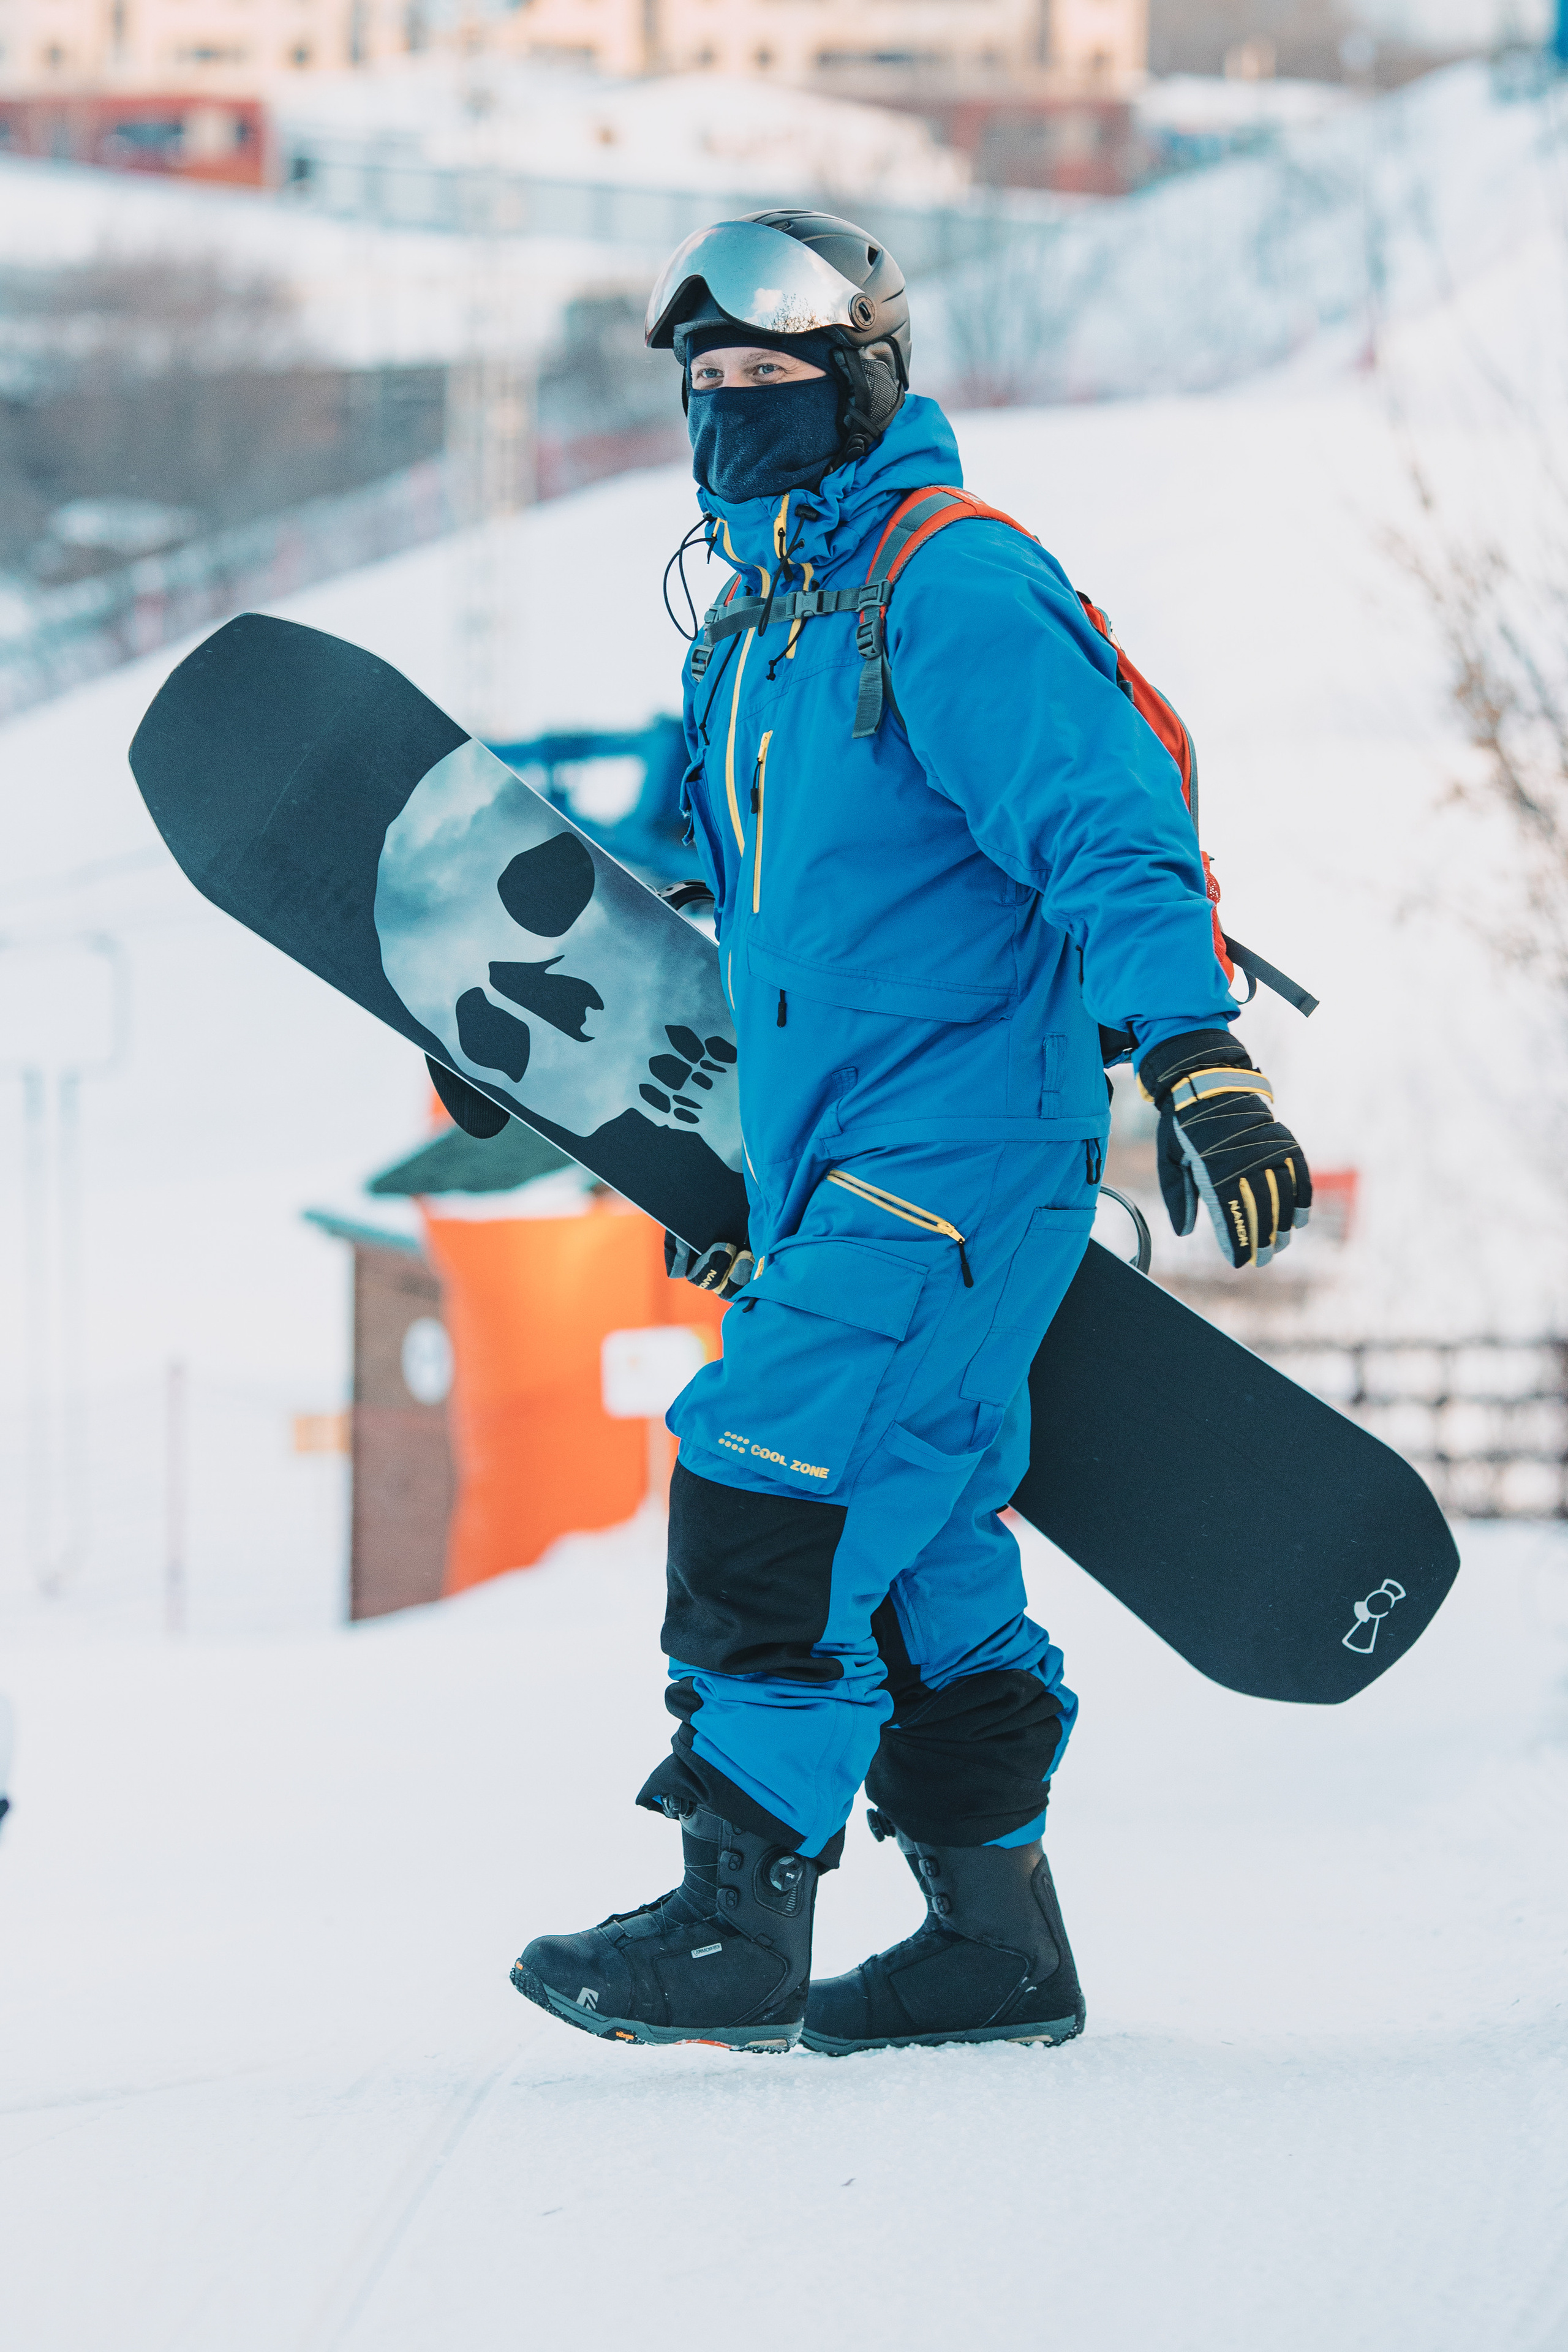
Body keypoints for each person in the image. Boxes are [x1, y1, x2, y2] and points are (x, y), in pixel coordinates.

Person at [511, 211, 1311, 2056]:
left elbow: (1108, 827)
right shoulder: (751, 626)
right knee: (925, 1536)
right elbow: (739, 900)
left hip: (959, 1154)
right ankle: (994, 1947)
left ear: (860, 383)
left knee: (769, 1479)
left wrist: (1194, 1053)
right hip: (830, 1160)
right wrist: (566, 1057)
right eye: (705, 390)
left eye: (769, 384)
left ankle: (738, 1910)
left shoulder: (950, 589)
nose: (731, 421)